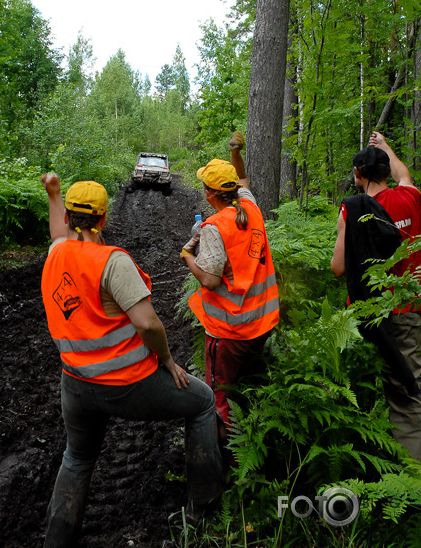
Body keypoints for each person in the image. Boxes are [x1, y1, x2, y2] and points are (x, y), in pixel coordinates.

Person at [40, 173, 224, 546]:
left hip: (74, 383)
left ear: (68, 219)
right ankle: (205, 505)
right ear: (104, 218)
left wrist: (54, 193)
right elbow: (147, 323)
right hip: (127, 384)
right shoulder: (113, 262)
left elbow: (57, 232)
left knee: (76, 458)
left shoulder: (57, 251)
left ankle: (56, 540)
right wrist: (168, 360)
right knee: (203, 402)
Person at [180, 132, 280, 440]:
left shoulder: (214, 228)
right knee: (247, 386)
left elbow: (209, 279)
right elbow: (245, 179)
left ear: (209, 194)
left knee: (219, 396)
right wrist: (237, 152)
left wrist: (187, 255)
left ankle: (227, 458)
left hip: (230, 330)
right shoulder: (251, 207)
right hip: (262, 322)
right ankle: (252, 442)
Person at [331, 131, 421, 460]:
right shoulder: (410, 198)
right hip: (411, 306)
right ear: (385, 173)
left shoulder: (352, 210)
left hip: (375, 316)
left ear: (358, 174)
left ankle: (412, 482)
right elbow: (405, 176)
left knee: (405, 396)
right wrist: (385, 147)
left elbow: (338, 268)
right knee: (409, 380)